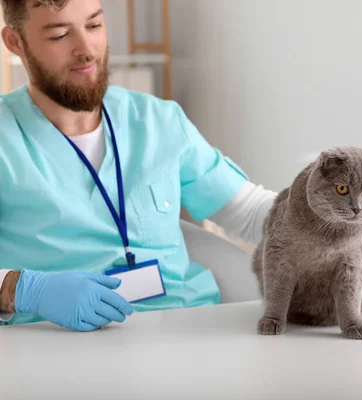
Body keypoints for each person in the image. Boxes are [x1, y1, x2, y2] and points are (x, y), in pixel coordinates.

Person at [0, 0, 276, 331]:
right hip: (57, 344)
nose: (86, 50)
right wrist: (23, 290)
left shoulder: (159, 120)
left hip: (189, 329)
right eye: (60, 35)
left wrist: (340, 230)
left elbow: (248, 211)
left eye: (94, 26)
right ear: (15, 42)